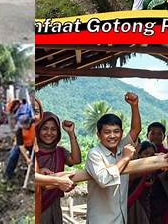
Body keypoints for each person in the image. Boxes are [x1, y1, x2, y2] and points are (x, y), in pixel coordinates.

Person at [85, 92, 141, 224]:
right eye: (107, 132)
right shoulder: (94, 154)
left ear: (121, 133)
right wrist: (126, 158)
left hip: (120, 219)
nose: (112, 136)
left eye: (116, 131)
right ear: (98, 134)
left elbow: (135, 129)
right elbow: (104, 179)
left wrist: (135, 106)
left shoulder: (123, 147)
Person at [36, 113, 81, 222]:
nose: (49, 133)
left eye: (53, 129)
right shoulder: (34, 152)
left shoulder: (60, 152)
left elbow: (76, 160)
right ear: (38, 130)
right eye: (45, 129)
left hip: (54, 202)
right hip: (37, 203)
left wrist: (71, 133)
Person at [127, 141, 157, 224]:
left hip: (144, 204)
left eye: (152, 155)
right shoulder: (133, 168)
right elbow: (129, 179)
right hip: (132, 204)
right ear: (139, 154)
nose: (149, 157)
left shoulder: (153, 170)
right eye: (146, 153)